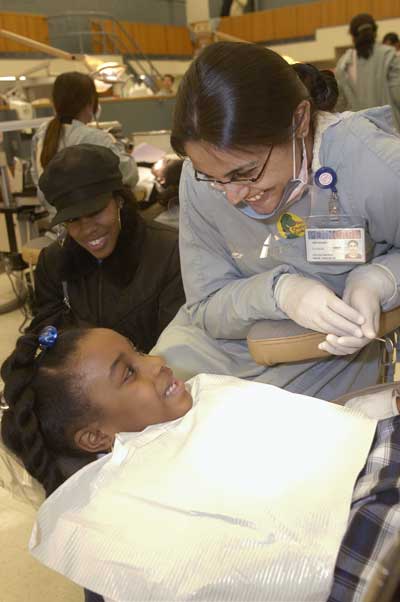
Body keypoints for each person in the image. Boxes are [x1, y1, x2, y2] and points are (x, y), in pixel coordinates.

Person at [1, 326, 400, 602]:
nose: (156, 361)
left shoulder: (201, 398)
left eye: (138, 350)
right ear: (95, 438)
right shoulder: (121, 531)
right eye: (128, 373)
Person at [150, 41, 400, 400]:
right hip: (214, 346)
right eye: (214, 178)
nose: (232, 195)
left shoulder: (372, 163)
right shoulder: (199, 177)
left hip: (319, 356)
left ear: (299, 121)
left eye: (245, 172)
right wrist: (279, 293)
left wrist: (381, 279)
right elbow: (205, 304)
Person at [26, 144, 185, 353]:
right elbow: (47, 327)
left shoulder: (170, 253)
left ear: (119, 200)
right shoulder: (53, 262)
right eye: (73, 219)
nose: (87, 230)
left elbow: (178, 344)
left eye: (95, 212)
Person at [31, 71, 138, 214]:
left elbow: (36, 178)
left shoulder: (42, 132)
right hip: (89, 221)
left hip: (57, 219)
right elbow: (130, 174)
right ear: (91, 102)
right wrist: (116, 144)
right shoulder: (95, 138)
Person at [335, 13, 400, 130]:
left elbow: (340, 107)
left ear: (352, 36)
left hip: (361, 134)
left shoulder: (343, 65)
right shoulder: (389, 56)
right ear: (375, 32)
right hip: (391, 133)